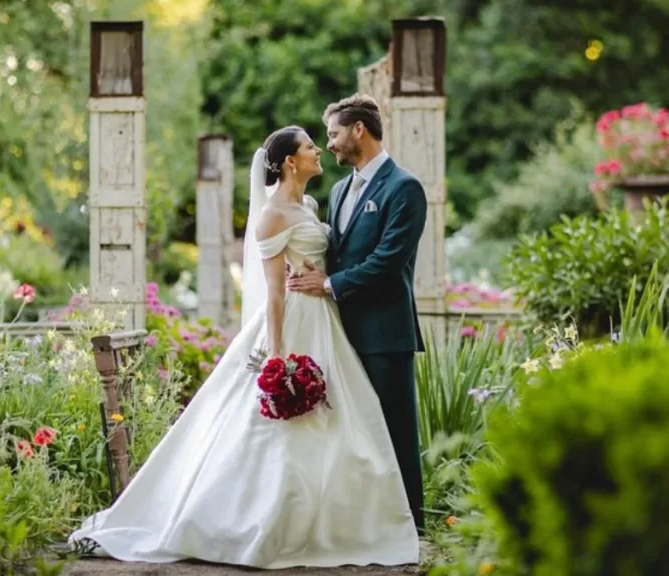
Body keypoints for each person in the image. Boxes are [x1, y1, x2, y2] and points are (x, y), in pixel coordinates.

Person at [67, 123, 420, 569]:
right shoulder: (272, 216)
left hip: (326, 323)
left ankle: (334, 522)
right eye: (312, 146)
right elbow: (274, 293)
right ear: (291, 161)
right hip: (293, 323)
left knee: (343, 425)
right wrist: (278, 356)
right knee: (280, 431)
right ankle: (256, 521)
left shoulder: (311, 205)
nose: (321, 151)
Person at [287, 94, 428, 532]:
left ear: (358, 130)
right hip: (339, 332)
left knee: (394, 433)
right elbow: (338, 251)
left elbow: (388, 261)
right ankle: (363, 525)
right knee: (352, 436)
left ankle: (411, 527)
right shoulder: (339, 189)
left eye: (333, 134)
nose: (329, 144)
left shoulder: (405, 188)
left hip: (386, 334)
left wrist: (327, 285)